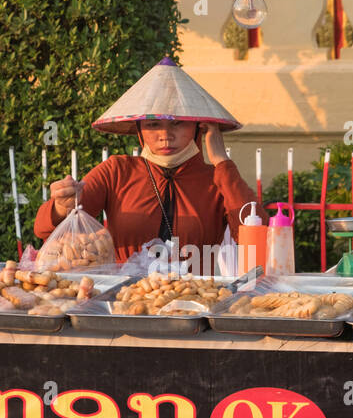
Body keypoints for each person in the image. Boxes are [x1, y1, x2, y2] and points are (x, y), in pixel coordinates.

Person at [34, 57, 261, 264]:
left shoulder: (217, 179)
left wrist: (222, 161)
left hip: (195, 300)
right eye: (153, 125)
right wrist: (61, 207)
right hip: (126, 301)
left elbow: (256, 236)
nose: (165, 135)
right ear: (139, 131)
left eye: (177, 123)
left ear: (198, 127)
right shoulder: (116, 171)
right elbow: (44, 230)